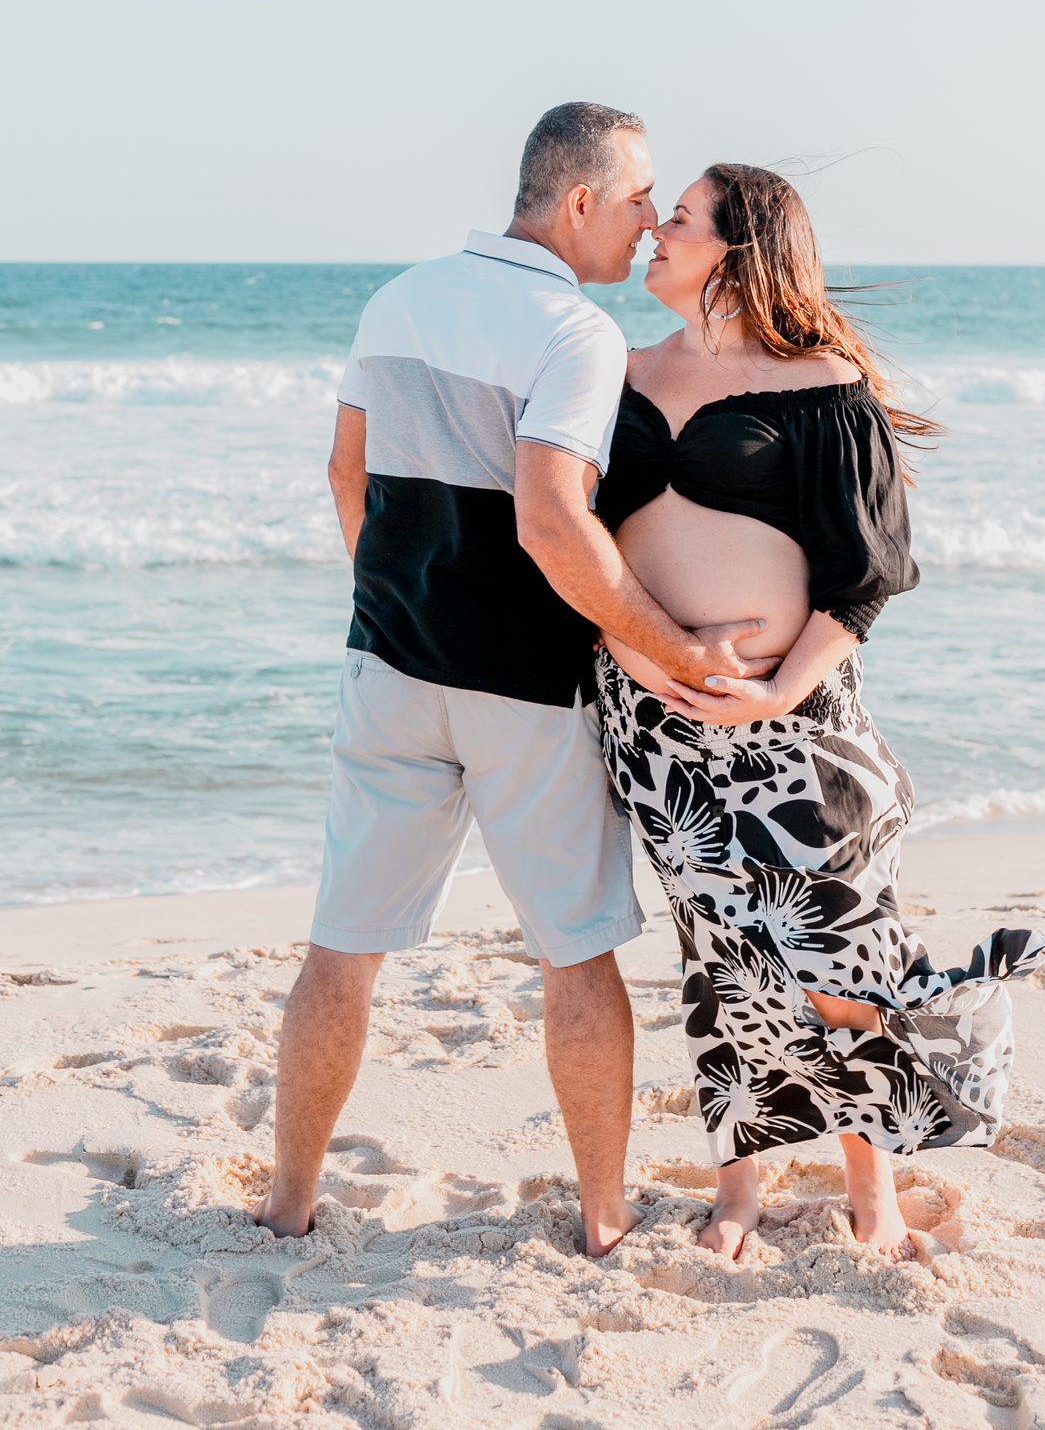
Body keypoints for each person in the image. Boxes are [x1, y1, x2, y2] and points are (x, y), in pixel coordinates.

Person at [256, 105, 773, 1256]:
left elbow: (346, 469)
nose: (649, 220)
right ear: (578, 201)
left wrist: (397, 600)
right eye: (639, 197)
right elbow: (553, 525)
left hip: (387, 664)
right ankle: (601, 1217)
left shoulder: (401, 297)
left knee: (342, 946)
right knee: (575, 950)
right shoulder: (572, 331)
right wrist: (682, 650)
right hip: (525, 692)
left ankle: (288, 1204)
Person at [594, 164, 1045, 1262]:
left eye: (682, 218)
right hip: (654, 727)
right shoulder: (611, 374)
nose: (655, 229)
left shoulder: (821, 381)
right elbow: (578, 547)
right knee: (721, 956)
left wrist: (773, 690)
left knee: (835, 953)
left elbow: (866, 574)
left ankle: (874, 1188)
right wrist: (639, 653)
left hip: (795, 722)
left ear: (741, 249)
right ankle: (740, 1189)